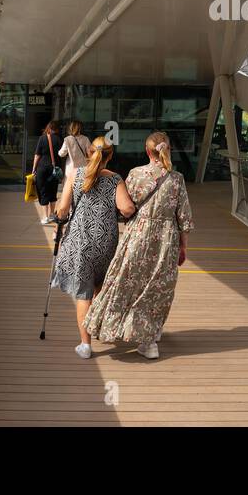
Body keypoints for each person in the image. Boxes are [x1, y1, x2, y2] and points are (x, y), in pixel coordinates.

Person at [85, 131, 193, 360]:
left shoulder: (135, 174)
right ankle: (150, 340)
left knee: (125, 282)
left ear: (147, 151)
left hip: (137, 236)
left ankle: (111, 328)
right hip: (166, 240)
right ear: (168, 150)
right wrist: (183, 247)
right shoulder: (176, 179)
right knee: (156, 289)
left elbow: (126, 207)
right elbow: (183, 217)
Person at [50, 137, 135, 359]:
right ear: (110, 155)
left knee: (83, 293)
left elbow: (63, 208)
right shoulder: (115, 179)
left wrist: (59, 216)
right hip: (105, 242)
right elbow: (126, 208)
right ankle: (96, 326)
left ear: (89, 152)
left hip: (80, 242)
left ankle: (85, 345)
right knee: (99, 286)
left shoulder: (76, 175)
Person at [32, 121, 62, 226]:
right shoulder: (59, 139)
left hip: (42, 168)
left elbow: (37, 155)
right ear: (56, 129)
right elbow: (62, 154)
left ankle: (45, 217)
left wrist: (33, 168)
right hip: (54, 169)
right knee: (53, 191)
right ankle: (52, 214)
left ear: (48, 128)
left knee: (43, 191)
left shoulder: (42, 138)